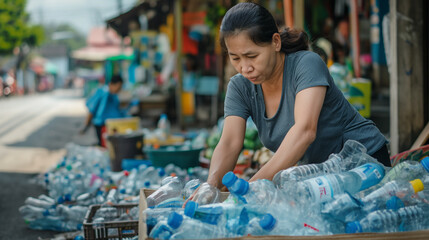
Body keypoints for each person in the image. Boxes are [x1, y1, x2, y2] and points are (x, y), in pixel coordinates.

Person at [191, 2, 390, 194]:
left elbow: (305, 131)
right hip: (323, 176)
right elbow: (229, 142)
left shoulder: (306, 64)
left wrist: (252, 187)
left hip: (364, 164)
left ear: (275, 42)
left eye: (252, 56)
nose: (245, 68)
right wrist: (211, 185)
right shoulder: (239, 86)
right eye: (235, 58)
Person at [81, 74, 131, 146]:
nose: (119, 90)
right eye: (118, 87)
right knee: (104, 144)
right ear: (111, 84)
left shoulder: (114, 96)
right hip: (101, 125)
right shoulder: (102, 93)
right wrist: (86, 125)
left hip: (112, 125)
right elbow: (92, 109)